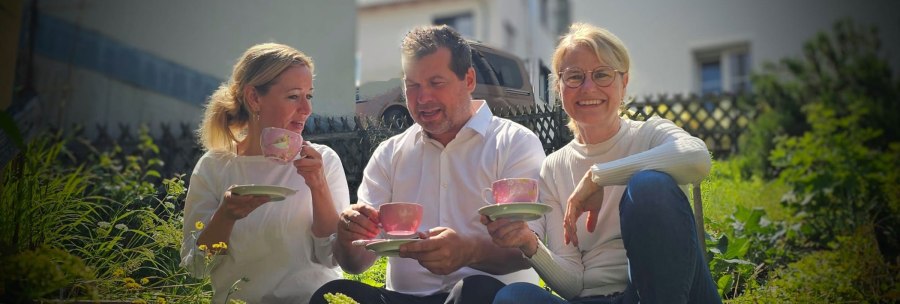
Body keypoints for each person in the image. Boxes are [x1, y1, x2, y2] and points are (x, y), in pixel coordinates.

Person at [483, 23, 722, 303]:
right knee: (514, 297)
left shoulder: (650, 135)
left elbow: (697, 158)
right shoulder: (554, 168)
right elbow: (574, 284)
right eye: (574, 77)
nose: (588, 87)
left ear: (624, 83)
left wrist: (598, 177)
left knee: (648, 186)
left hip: (672, 291)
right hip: (595, 298)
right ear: (559, 88)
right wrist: (529, 243)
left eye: (602, 75)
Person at [310, 25, 545, 304]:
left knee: (475, 289)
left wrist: (470, 252)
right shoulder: (390, 153)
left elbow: (531, 249)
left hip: (484, 297)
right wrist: (349, 235)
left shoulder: (513, 143)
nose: (422, 98)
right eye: (412, 85)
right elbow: (356, 263)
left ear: (468, 80)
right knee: (333, 296)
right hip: (404, 298)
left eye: (436, 83)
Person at [180, 43, 349, 303]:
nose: (307, 109)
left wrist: (319, 185)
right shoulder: (215, 167)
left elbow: (332, 257)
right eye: (294, 96)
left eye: (309, 96)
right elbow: (197, 268)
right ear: (254, 98)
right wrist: (225, 216)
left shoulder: (322, 161)